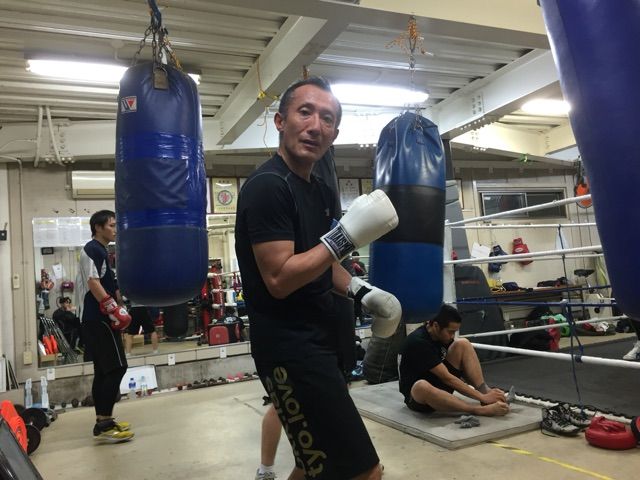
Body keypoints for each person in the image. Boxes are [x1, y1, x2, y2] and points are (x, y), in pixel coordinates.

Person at [235, 76, 401, 480]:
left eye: (327, 119)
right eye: (304, 112)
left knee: (313, 466)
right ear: (280, 121)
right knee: (365, 472)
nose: (315, 126)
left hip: (326, 341)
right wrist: (345, 236)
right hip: (290, 350)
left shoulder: (322, 191)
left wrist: (363, 291)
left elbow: (322, 263)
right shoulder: (268, 187)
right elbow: (279, 278)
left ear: (335, 134)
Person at [75, 209, 134, 443]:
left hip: (98, 318)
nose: (115, 229)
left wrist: (119, 303)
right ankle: (105, 423)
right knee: (117, 368)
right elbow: (93, 281)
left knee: (103, 370)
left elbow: (105, 282)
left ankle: (103, 421)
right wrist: (112, 307)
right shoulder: (93, 249)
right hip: (97, 318)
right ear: (98, 228)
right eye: (111, 225)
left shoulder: (102, 250)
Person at [398, 304, 509, 417]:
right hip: (419, 397)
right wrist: (482, 398)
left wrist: (486, 394)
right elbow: (447, 378)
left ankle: (485, 391)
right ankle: (477, 410)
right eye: (450, 332)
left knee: (463, 343)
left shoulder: (441, 336)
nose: (452, 336)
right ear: (435, 326)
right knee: (421, 386)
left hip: (437, 383)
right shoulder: (418, 342)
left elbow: (459, 372)